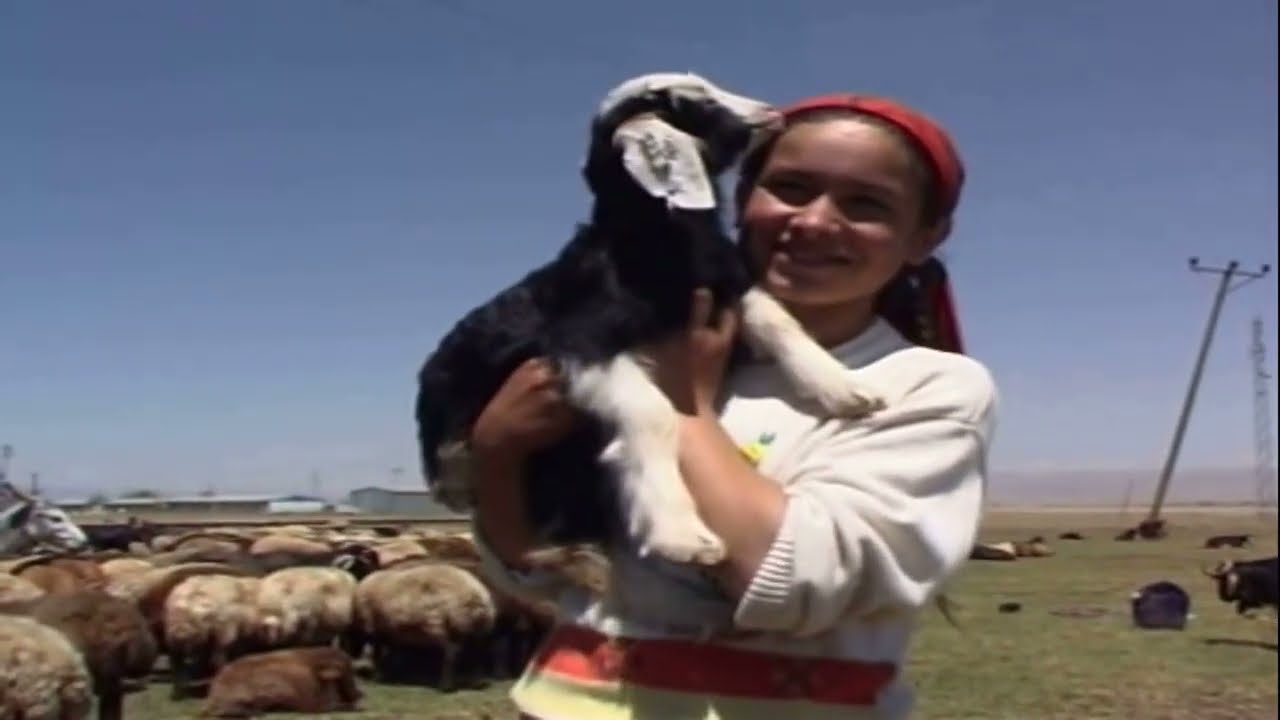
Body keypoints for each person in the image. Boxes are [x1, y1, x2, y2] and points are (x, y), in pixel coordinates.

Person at [466, 88, 999, 720]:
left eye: (866, 205)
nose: (815, 221)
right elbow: (543, 575)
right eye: (791, 188)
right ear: (740, 199)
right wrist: (495, 454)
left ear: (925, 236)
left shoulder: (923, 387)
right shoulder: (621, 351)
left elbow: (796, 581)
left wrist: (685, 405)